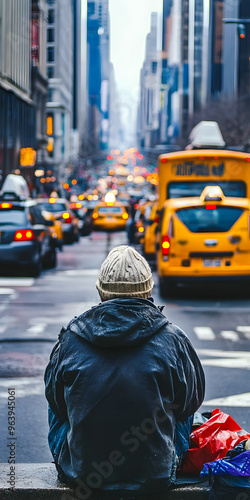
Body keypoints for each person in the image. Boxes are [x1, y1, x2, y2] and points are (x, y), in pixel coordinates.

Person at [44, 245, 205, 498]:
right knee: (180, 404)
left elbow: (57, 404)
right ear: (148, 290)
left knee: (57, 397)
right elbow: (190, 404)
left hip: (84, 474)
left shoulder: (70, 340)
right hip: (155, 475)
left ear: (101, 291)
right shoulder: (174, 339)